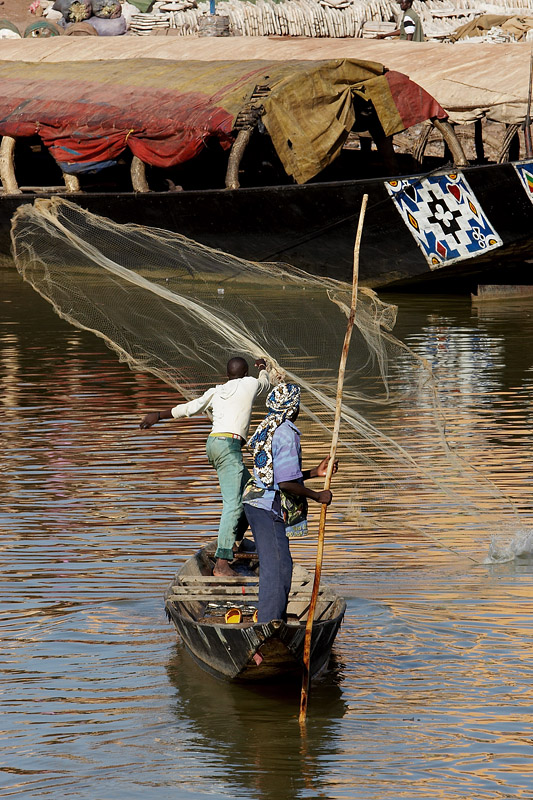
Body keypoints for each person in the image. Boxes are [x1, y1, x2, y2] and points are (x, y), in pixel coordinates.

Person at [140, 356, 270, 576]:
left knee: (252, 491)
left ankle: (234, 541)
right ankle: (221, 562)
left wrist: (158, 415)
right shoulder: (250, 383)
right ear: (246, 373)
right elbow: (265, 382)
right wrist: (264, 368)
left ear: (227, 375)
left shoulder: (216, 390)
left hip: (214, 444)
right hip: (229, 447)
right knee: (233, 504)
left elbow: (189, 408)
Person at [243, 383, 338, 623]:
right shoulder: (286, 432)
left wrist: (314, 472)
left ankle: (273, 617)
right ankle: (268, 624)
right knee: (278, 567)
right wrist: (317, 496)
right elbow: (284, 485)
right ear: (293, 407)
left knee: (279, 563)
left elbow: (278, 475)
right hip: (267, 506)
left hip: (256, 501)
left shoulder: (270, 425)